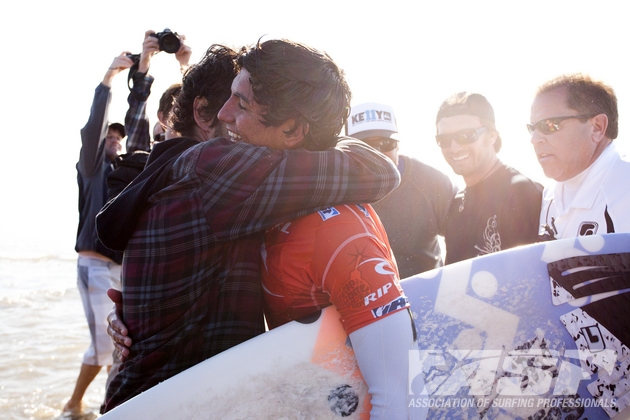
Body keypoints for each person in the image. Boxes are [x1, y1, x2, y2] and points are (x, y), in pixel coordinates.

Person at [96, 40, 403, 414]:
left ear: (291, 128)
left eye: (240, 103)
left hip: (148, 402)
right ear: (202, 113)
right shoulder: (217, 167)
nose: (227, 113)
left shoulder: (169, 172)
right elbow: (379, 171)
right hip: (177, 406)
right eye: (229, 99)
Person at [64, 49, 150, 416]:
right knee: (102, 349)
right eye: (109, 136)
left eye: (119, 136)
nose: (115, 139)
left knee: (122, 347)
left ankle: (106, 408)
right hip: (94, 266)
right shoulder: (91, 167)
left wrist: (144, 69)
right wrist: (108, 80)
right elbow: (93, 127)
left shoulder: (125, 172)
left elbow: (140, 132)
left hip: (121, 270)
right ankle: (73, 405)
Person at [346, 102, 456, 277]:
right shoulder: (336, 191)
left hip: (427, 295)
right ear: (347, 150)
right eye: (365, 146)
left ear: (398, 145)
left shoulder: (433, 183)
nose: (377, 153)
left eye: (386, 143)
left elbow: (464, 243)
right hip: (367, 299)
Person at [436, 92, 542, 264]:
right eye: (444, 140)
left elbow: (528, 278)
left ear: (492, 135)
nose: (454, 148)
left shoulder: (520, 192)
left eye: (465, 136)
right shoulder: (457, 203)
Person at [529, 73, 630, 239]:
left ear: (597, 127)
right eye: (532, 128)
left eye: (549, 124)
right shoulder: (548, 197)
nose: (534, 139)